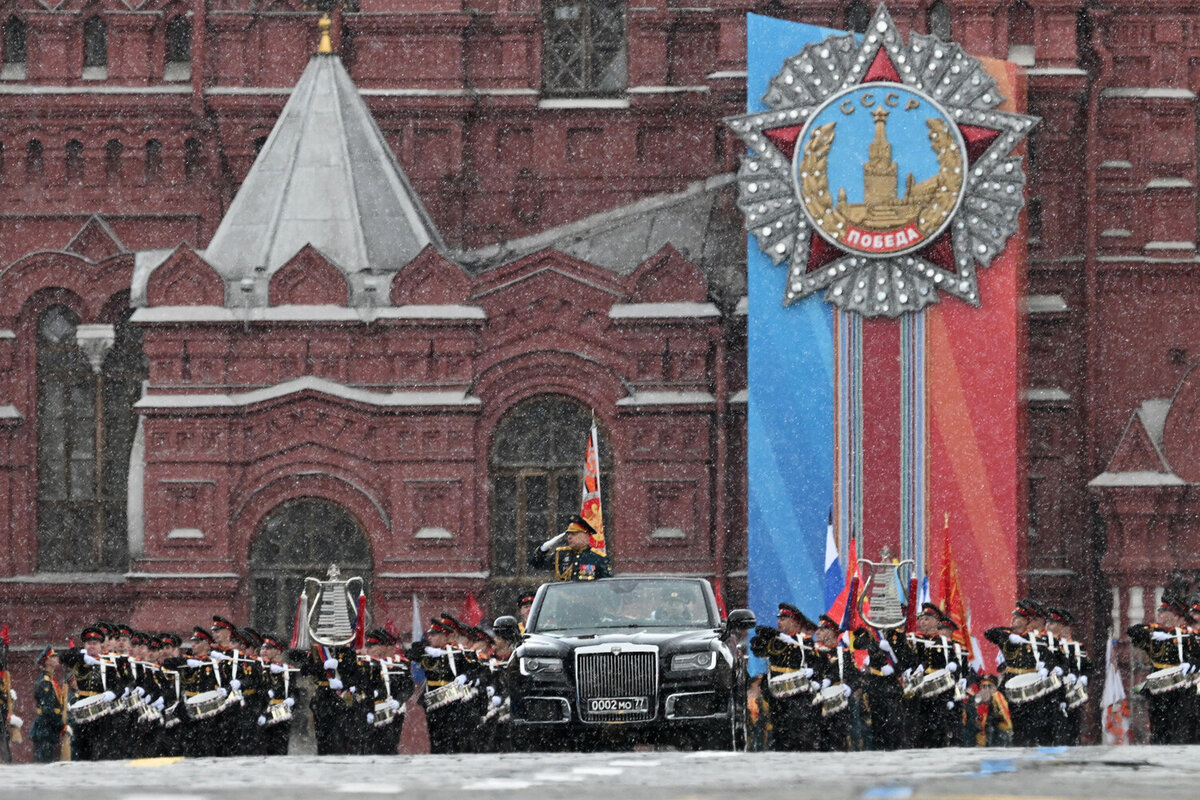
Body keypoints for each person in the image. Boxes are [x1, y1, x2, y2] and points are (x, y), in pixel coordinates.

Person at [985, 598, 1062, 747]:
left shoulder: (1035, 639)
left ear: (1027, 620)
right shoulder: (1006, 635)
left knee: (1032, 721)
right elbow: (989, 633)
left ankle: (1031, 745)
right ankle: (1015, 746)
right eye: (1014, 616)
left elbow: (1051, 658)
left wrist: (1045, 667)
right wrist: (1010, 637)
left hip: (1031, 684)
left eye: (1018, 617)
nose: (1013, 619)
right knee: (1012, 721)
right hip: (1011, 682)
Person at [1128, 597, 1196, 745]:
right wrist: (1153, 635)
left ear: (1175, 616)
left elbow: (1196, 656)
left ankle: (1175, 746)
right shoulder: (1155, 631)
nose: (1159, 614)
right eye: (1160, 611)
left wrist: (1189, 664)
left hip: (1178, 686)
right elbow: (1132, 631)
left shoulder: (1185, 635)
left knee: (1177, 720)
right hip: (1157, 686)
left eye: (1164, 611)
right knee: (1157, 719)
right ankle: (1158, 745)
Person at [750, 603, 818, 751]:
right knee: (778, 731)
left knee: (797, 730)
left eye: (784, 618)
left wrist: (813, 671)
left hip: (797, 695)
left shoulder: (805, 642)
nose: (779, 622)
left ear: (794, 621)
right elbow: (757, 649)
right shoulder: (776, 640)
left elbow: (817, 663)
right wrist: (763, 636)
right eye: (779, 618)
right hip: (775, 694)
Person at [811, 614, 856, 751]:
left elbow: (856, 677)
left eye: (822, 629)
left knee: (839, 740)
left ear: (832, 632)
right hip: (816, 704)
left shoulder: (844, 653)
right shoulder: (812, 651)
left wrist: (850, 687)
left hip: (838, 703)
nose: (817, 632)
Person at [1046, 606, 1090, 746]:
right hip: (1052, 691)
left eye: (1052, 623)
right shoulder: (1047, 644)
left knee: (1072, 728)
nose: (1047, 626)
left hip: (1071, 691)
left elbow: (1085, 667)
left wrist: (1082, 678)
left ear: (1064, 627)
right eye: (1047, 623)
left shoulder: (1077, 646)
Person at [528, 514, 612, 581]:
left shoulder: (599, 558)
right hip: (565, 600)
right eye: (568, 534)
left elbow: (608, 584)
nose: (569, 537)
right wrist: (543, 549)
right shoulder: (561, 554)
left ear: (586, 536)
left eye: (574, 534)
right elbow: (536, 564)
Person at [30, 646, 67, 763]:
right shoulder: (45, 682)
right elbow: (48, 709)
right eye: (53, 656)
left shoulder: (50, 680)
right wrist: (61, 726)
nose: (57, 658)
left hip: (48, 729)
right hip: (45, 729)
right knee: (43, 764)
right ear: (47, 661)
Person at [964, 674, 1012, 747]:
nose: (986, 689)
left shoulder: (997, 697)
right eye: (984, 686)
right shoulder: (973, 700)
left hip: (995, 740)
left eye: (989, 686)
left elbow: (1007, 724)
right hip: (978, 744)